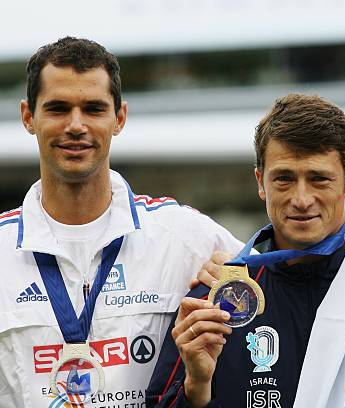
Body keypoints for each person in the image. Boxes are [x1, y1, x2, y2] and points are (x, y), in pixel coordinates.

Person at [146, 94, 345, 407]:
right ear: (260, 182)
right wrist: (196, 387)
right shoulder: (217, 299)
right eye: (284, 179)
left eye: (319, 179)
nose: (301, 199)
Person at [0, 37, 242, 408]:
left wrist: (242, 280)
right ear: (28, 116)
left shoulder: (186, 237)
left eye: (94, 109)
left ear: (120, 118)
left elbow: (283, 293)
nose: (76, 125)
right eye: (58, 108)